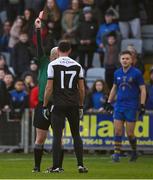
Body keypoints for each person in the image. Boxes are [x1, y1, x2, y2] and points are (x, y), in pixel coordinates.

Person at [43, 40, 88, 173]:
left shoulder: (53, 64)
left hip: (58, 104)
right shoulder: (78, 66)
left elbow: (49, 88)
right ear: (69, 50)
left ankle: (56, 166)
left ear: (58, 51)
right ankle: (80, 165)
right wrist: (80, 106)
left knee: (57, 136)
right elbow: (81, 89)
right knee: (76, 134)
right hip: (73, 104)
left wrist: (45, 105)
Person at [32, 18, 64, 173]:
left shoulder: (64, 68)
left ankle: (58, 167)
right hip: (41, 104)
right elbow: (39, 47)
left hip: (58, 105)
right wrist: (38, 30)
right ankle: (37, 167)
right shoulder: (44, 62)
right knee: (40, 138)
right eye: (56, 54)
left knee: (59, 139)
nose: (58, 57)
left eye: (60, 55)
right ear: (51, 56)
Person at [105, 50, 146, 162]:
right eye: (123, 58)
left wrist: (142, 104)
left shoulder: (137, 73)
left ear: (131, 60)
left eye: (127, 58)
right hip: (119, 106)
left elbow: (143, 89)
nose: (125, 60)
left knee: (130, 134)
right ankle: (116, 155)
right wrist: (109, 102)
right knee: (117, 131)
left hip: (131, 106)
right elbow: (114, 88)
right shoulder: (117, 73)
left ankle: (134, 151)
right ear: (120, 60)